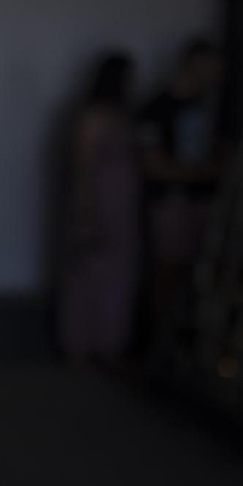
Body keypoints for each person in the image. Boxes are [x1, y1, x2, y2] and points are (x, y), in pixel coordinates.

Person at [57, 53, 140, 367]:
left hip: (119, 210)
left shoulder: (119, 116)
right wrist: (86, 213)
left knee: (116, 278)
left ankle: (109, 343)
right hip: (98, 207)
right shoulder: (93, 119)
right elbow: (83, 166)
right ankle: (82, 344)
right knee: (88, 276)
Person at [138, 38, 225, 326]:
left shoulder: (204, 107)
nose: (216, 73)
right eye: (211, 65)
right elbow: (154, 166)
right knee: (167, 270)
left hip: (202, 200)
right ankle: (156, 337)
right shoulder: (156, 108)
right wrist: (210, 172)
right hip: (171, 201)